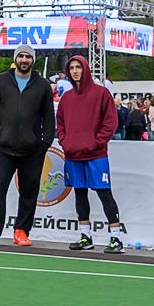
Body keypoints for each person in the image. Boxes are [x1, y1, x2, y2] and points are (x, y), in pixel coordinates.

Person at [0, 46, 55, 247]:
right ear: (15, 59)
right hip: (1, 147)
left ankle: (21, 231)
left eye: (28, 57)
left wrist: (45, 143)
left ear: (33, 60)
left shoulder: (43, 86)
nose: (24, 60)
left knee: (29, 190)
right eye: (21, 56)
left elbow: (49, 118)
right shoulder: (0, 81)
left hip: (31, 150)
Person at [56, 55, 124, 253]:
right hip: (73, 155)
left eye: (78, 67)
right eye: (72, 68)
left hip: (96, 155)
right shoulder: (66, 98)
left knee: (104, 193)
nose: (75, 71)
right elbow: (60, 123)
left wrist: (96, 142)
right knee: (80, 194)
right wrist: (65, 142)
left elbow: (110, 123)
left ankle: (116, 239)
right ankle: (86, 237)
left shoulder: (102, 93)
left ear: (85, 69)